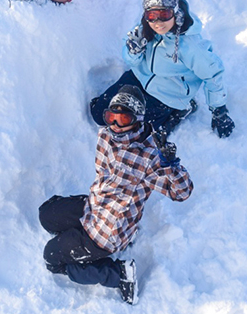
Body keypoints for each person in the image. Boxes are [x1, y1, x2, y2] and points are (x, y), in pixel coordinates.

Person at [39, 85, 193, 305]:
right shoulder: (106, 134)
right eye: (111, 117)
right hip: (94, 206)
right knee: (46, 215)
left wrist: (171, 166)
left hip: (107, 232)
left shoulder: (150, 157)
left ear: (138, 119)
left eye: (123, 119)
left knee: (52, 258)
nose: (115, 125)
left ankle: (118, 275)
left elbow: (182, 192)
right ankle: (75, 236)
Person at [90, 0, 235, 138]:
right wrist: (133, 51)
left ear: (174, 12)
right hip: (138, 79)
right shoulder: (146, 27)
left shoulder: (190, 45)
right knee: (99, 114)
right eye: (152, 15)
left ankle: (178, 111)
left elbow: (213, 73)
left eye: (164, 15)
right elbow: (130, 58)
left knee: (135, 134)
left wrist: (219, 111)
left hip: (167, 95)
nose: (158, 22)